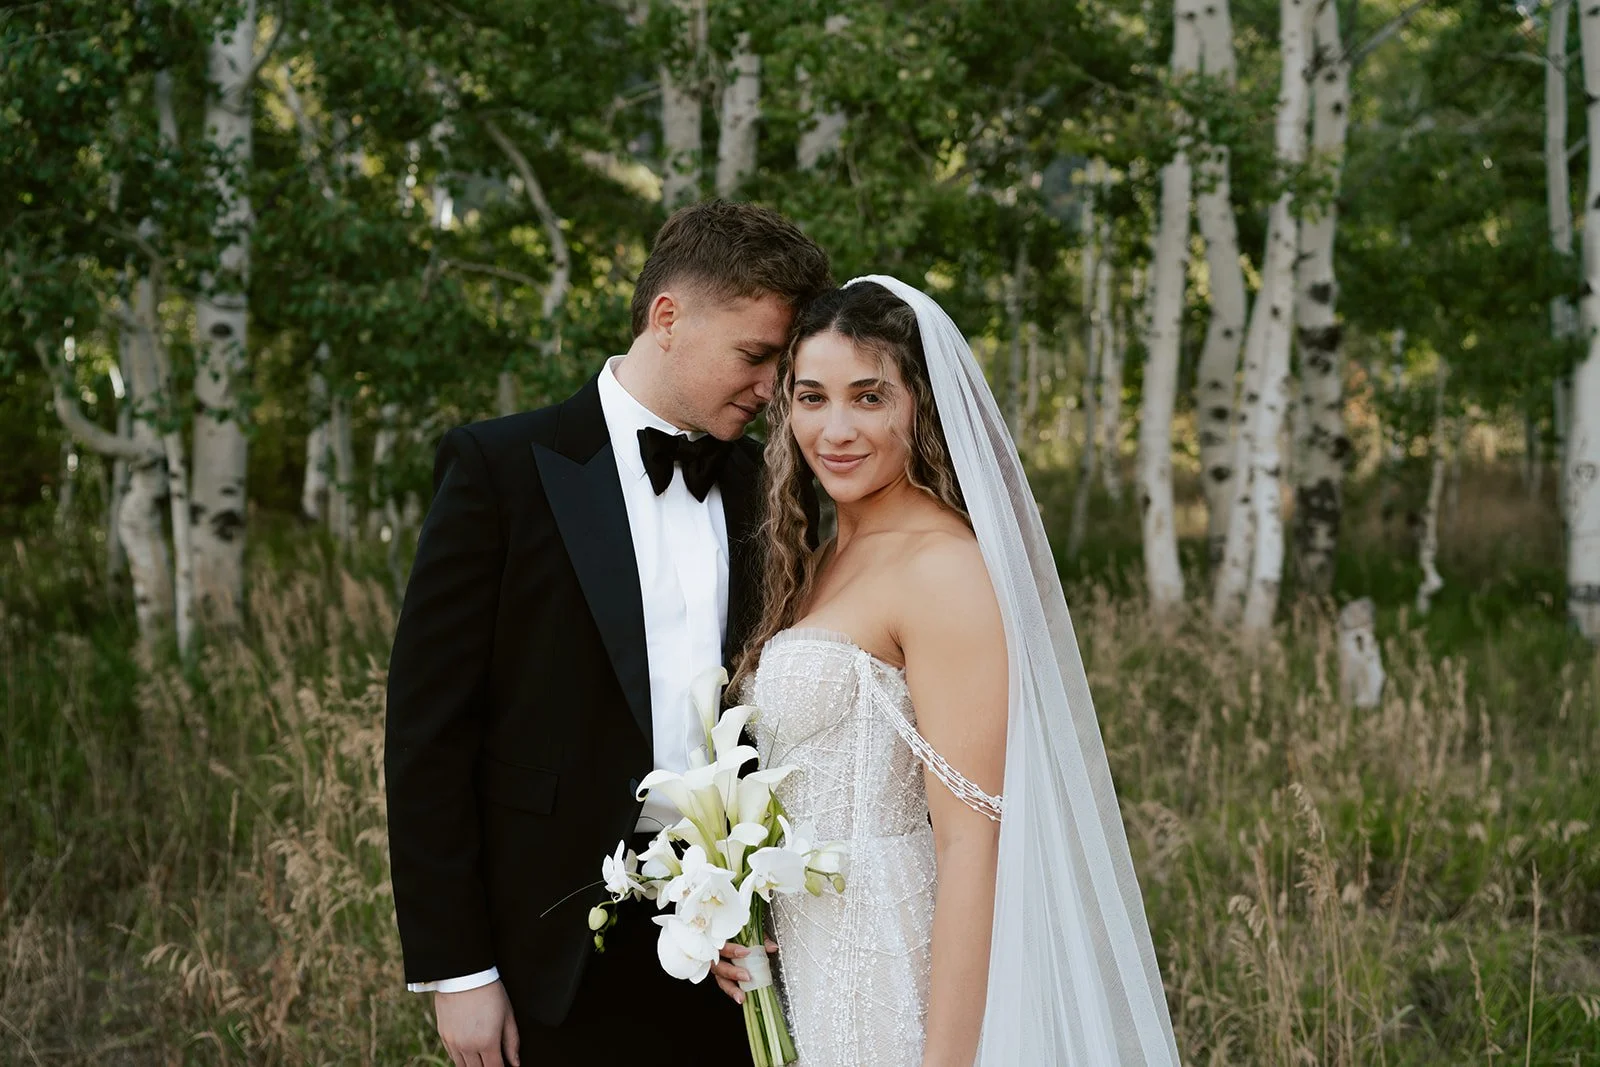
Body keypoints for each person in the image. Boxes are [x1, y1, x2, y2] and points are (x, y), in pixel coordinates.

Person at [384, 200, 830, 1067]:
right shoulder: (500, 470)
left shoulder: (769, 487)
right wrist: (457, 970)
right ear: (668, 318)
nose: (773, 388)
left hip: (732, 949)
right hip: (547, 949)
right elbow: (427, 733)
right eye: (756, 355)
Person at [724, 277, 1183, 1066]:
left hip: (892, 971)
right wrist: (745, 922)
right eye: (812, 397)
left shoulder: (944, 568)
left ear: (919, 406)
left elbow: (975, 842)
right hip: (808, 963)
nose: (835, 429)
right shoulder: (824, 555)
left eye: (869, 398)